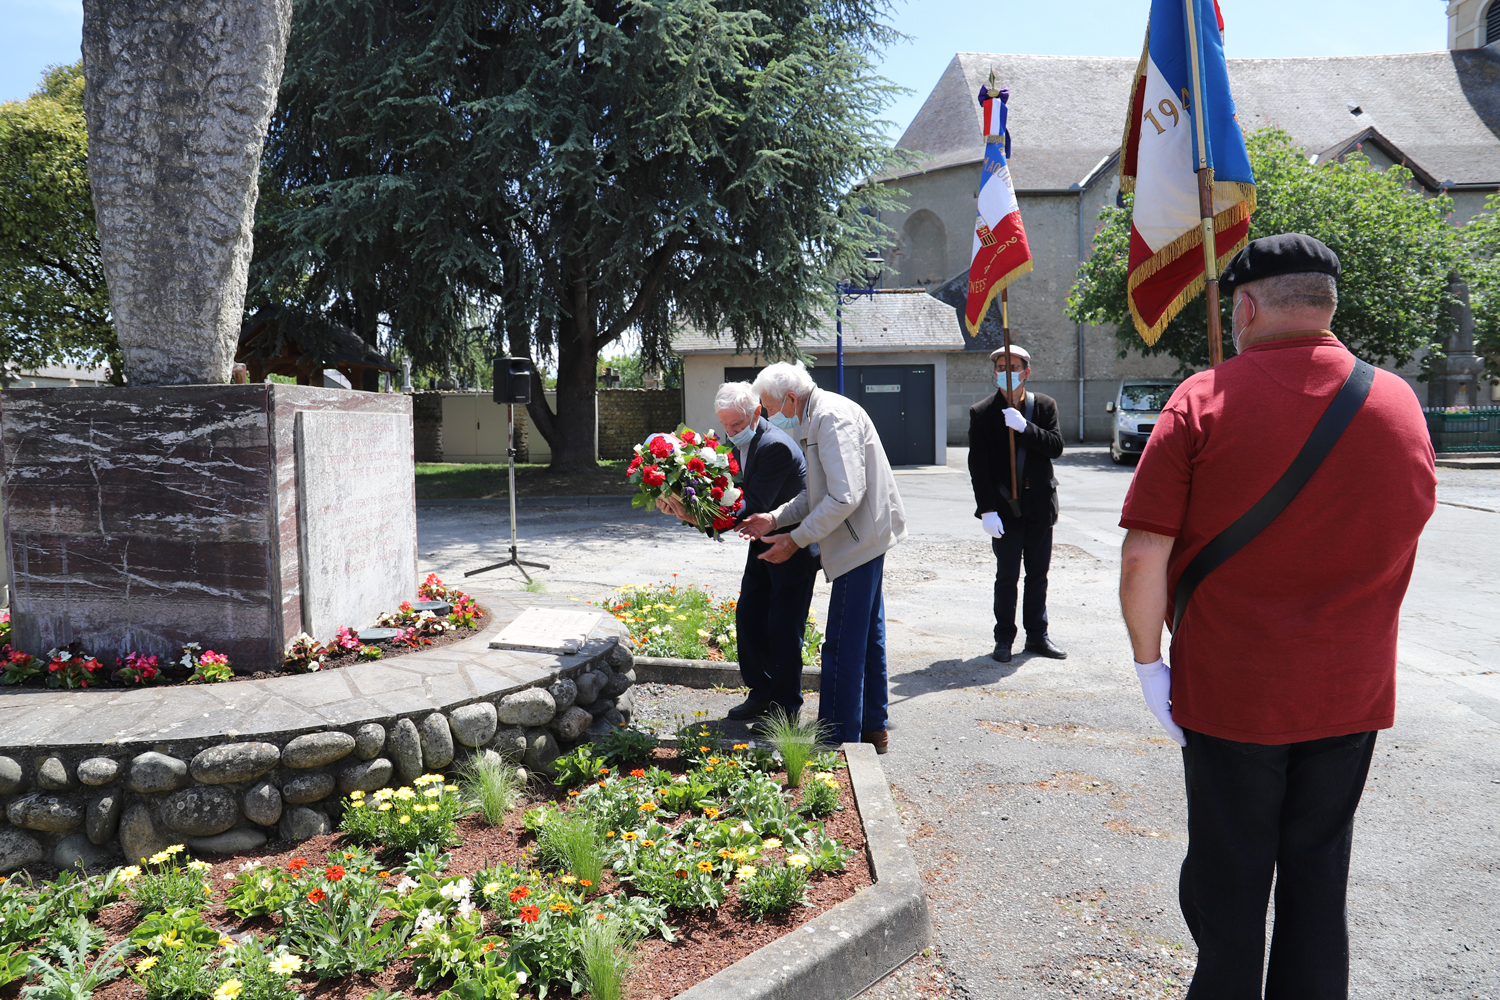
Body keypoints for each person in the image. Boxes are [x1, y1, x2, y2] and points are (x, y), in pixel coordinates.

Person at [1117, 233, 1436, 1000]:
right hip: (1349, 694)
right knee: (1319, 881)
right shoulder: (1398, 403)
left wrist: (1147, 663)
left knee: (1229, 890)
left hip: (1231, 692)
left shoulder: (1200, 399)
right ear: (1328, 305)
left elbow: (1142, 558)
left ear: (1249, 306)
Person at [738, 362, 906, 753]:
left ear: (791, 398)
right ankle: (872, 728)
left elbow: (843, 497)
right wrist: (775, 518)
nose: (768, 415)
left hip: (858, 543)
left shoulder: (830, 418)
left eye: (769, 406)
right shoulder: (819, 414)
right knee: (867, 639)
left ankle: (837, 737)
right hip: (863, 537)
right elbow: (816, 493)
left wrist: (795, 539)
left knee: (843, 643)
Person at [657, 382, 818, 721]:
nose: (730, 433)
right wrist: (682, 499)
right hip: (763, 541)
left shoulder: (774, 445)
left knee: (784, 628)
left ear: (757, 413)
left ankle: (786, 710)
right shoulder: (743, 441)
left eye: (736, 425)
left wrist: (695, 516)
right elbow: (731, 491)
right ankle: (761, 693)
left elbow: (752, 505)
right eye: (725, 424)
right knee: (749, 617)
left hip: (791, 546)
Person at [968, 344, 1066, 663]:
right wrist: (987, 510)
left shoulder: (1044, 406)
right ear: (993, 373)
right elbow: (978, 467)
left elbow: (1055, 447)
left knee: (1038, 575)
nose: (1006, 372)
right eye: (1000, 366)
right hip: (1004, 509)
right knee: (1007, 577)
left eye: (1013, 366)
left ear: (1027, 371)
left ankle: (1037, 637)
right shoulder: (982, 413)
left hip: (1039, 505)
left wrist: (1026, 429)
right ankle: (1003, 639)